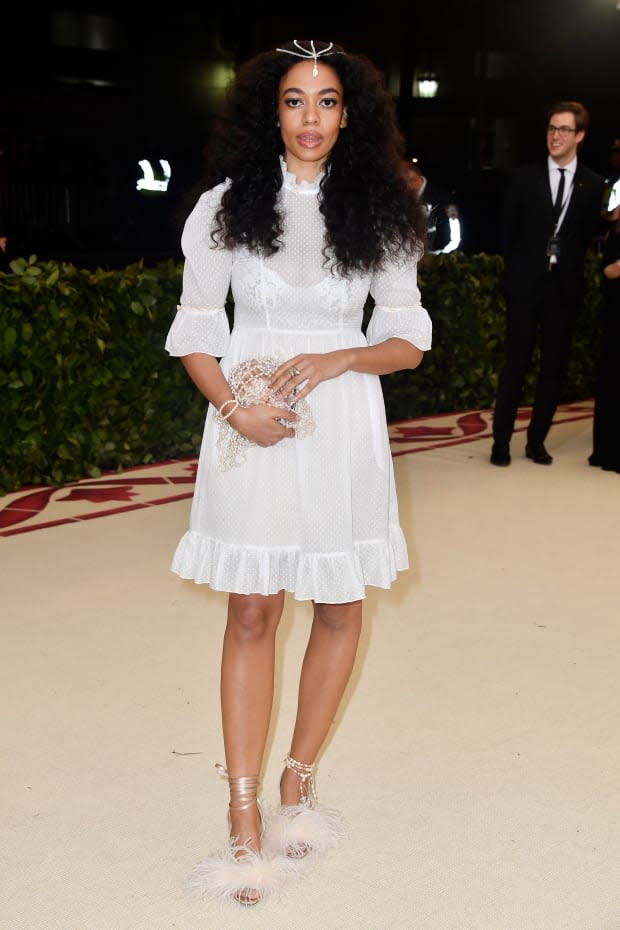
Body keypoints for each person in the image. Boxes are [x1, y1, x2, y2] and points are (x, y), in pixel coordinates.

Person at [164, 38, 431, 906]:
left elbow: (408, 338)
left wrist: (337, 359)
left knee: (339, 605)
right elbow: (196, 328)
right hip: (248, 421)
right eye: (292, 100)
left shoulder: (383, 211)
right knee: (252, 608)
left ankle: (296, 781)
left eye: (325, 101)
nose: (309, 118)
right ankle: (243, 812)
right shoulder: (224, 207)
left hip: (343, 425)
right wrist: (232, 407)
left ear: (349, 114)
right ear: (268, 111)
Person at [490, 100, 605, 467]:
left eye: (564, 130)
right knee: (516, 364)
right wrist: (522, 270)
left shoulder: (593, 184)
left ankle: (536, 442)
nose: (555, 136)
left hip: (564, 289)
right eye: (551, 129)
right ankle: (501, 442)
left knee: (553, 368)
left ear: (580, 136)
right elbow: (507, 233)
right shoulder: (524, 177)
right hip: (524, 286)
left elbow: (586, 236)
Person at [588, 180, 620, 473]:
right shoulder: (614, 224)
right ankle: (606, 451)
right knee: (611, 381)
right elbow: (606, 270)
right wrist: (611, 270)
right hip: (614, 314)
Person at [405, 160, 458, 252]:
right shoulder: (404, 199)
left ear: (414, 180)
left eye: (400, 182)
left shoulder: (442, 198)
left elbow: (448, 237)